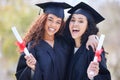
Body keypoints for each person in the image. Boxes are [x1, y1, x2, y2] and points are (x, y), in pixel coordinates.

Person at [15, 1, 98, 80]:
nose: (53, 25)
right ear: (43, 20)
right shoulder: (33, 46)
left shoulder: (66, 43)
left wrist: (92, 36)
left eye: (58, 22)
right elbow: (21, 75)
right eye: (50, 19)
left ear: (61, 24)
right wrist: (33, 69)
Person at [64, 2, 111, 80]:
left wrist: (91, 77)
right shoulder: (67, 46)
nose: (75, 24)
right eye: (72, 20)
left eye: (81, 21)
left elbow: (105, 77)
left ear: (88, 26)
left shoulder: (93, 48)